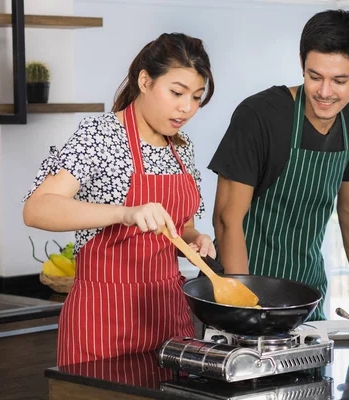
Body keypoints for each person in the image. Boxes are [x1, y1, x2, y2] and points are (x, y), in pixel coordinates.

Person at [23, 33, 216, 366]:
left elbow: (182, 227)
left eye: (197, 97)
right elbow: (37, 209)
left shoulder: (182, 147)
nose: (186, 108)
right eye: (176, 92)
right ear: (144, 80)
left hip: (169, 318)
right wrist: (125, 213)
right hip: (104, 320)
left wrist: (196, 238)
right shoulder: (100, 134)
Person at [208, 10, 349, 321]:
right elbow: (226, 219)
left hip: (308, 300)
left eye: (340, 81)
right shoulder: (260, 115)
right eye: (315, 76)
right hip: (243, 295)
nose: (325, 92)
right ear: (302, 63)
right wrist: (243, 310)